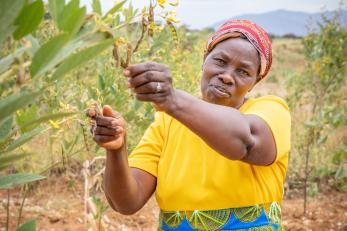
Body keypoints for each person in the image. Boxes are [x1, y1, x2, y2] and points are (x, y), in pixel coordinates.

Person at [86, 19, 291, 230]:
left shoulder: (270, 111)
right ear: (204, 60)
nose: (227, 76)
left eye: (243, 72)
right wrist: (117, 149)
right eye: (220, 61)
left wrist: (172, 99)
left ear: (254, 83)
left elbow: (246, 141)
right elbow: (126, 202)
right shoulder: (167, 122)